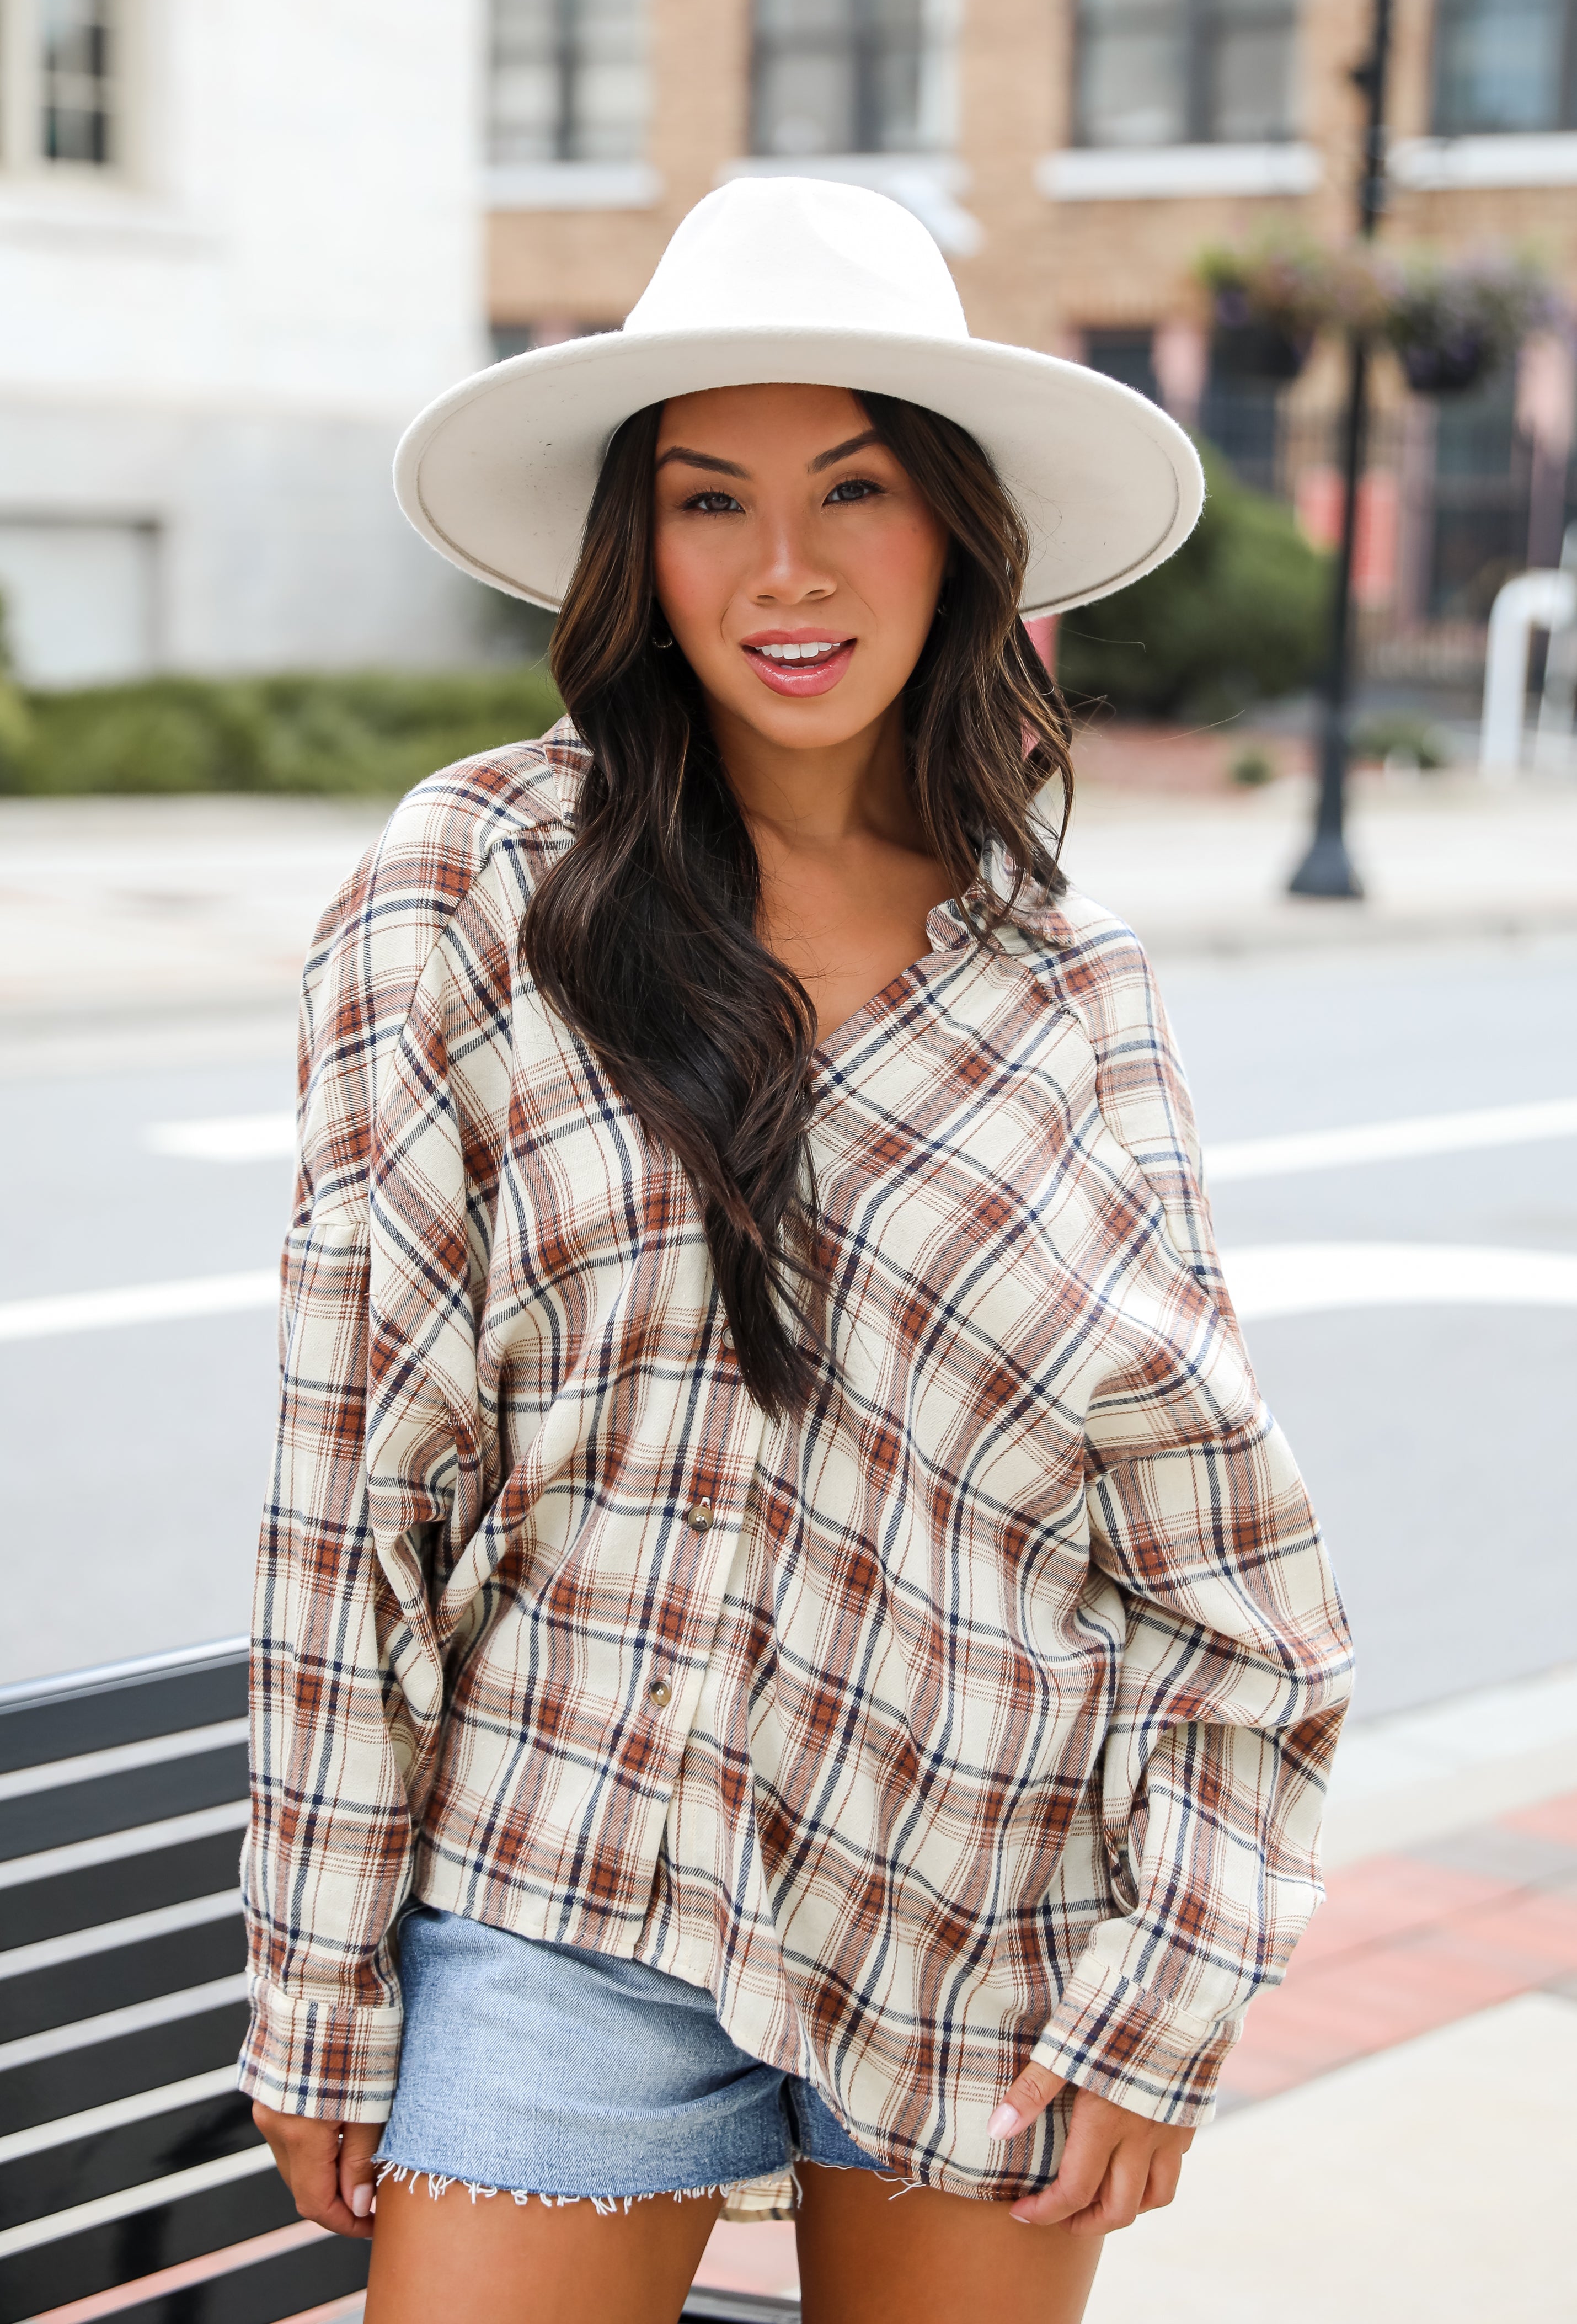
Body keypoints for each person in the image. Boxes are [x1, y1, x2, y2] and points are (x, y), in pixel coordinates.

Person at [241, 179, 1352, 2324]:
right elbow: (358, 1473)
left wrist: (1176, 1967)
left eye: (856, 487)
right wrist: (314, 1977)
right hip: (566, 1878)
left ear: (956, 533)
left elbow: (1209, 1538)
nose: (785, 568)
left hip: (987, 1883)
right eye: (707, 496)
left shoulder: (1058, 980)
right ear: (631, 552)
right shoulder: (470, 889)